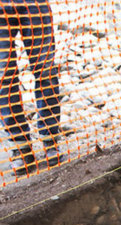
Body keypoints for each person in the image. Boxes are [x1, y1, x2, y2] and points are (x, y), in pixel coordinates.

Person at [0, 0, 62, 176]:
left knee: (45, 71)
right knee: (4, 79)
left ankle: (50, 141)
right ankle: (20, 148)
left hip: (34, 4)